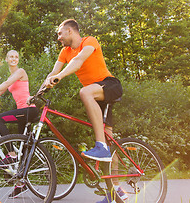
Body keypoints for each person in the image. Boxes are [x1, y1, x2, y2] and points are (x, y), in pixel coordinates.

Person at [36, 19, 124, 202]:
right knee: (109, 142)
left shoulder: (89, 41)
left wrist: (60, 77)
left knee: (84, 92)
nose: (58, 38)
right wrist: (39, 91)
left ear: (70, 31)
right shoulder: (64, 52)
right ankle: (114, 194)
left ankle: (100, 147)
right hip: (96, 95)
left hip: (109, 86)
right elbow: (53, 72)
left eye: (60, 33)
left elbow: (78, 61)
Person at [0, 50, 38, 198]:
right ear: (6, 59)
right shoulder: (12, 77)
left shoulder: (20, 72)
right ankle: (21, 184)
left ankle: (11, 154)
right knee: (23, 148)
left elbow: (5, 84)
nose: (14, 58)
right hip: (22, 113)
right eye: (11, 56)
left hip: (27, 111)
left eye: (16, 56)